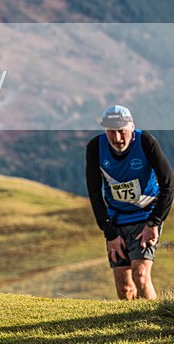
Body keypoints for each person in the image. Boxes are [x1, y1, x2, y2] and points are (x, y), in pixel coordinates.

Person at [86, 104, 173, 300]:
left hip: (145, 216)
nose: (117, 138)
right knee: (124, 286)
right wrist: (109, 232)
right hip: (116, 219)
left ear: (132, 127)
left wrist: (154, 222)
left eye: (121, 131)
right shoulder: (95, 148)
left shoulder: (146, 142)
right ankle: (128, 326)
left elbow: (168, 184)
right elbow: (94, 193)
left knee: (141, 275)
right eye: (111, 132)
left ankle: (152, 322)